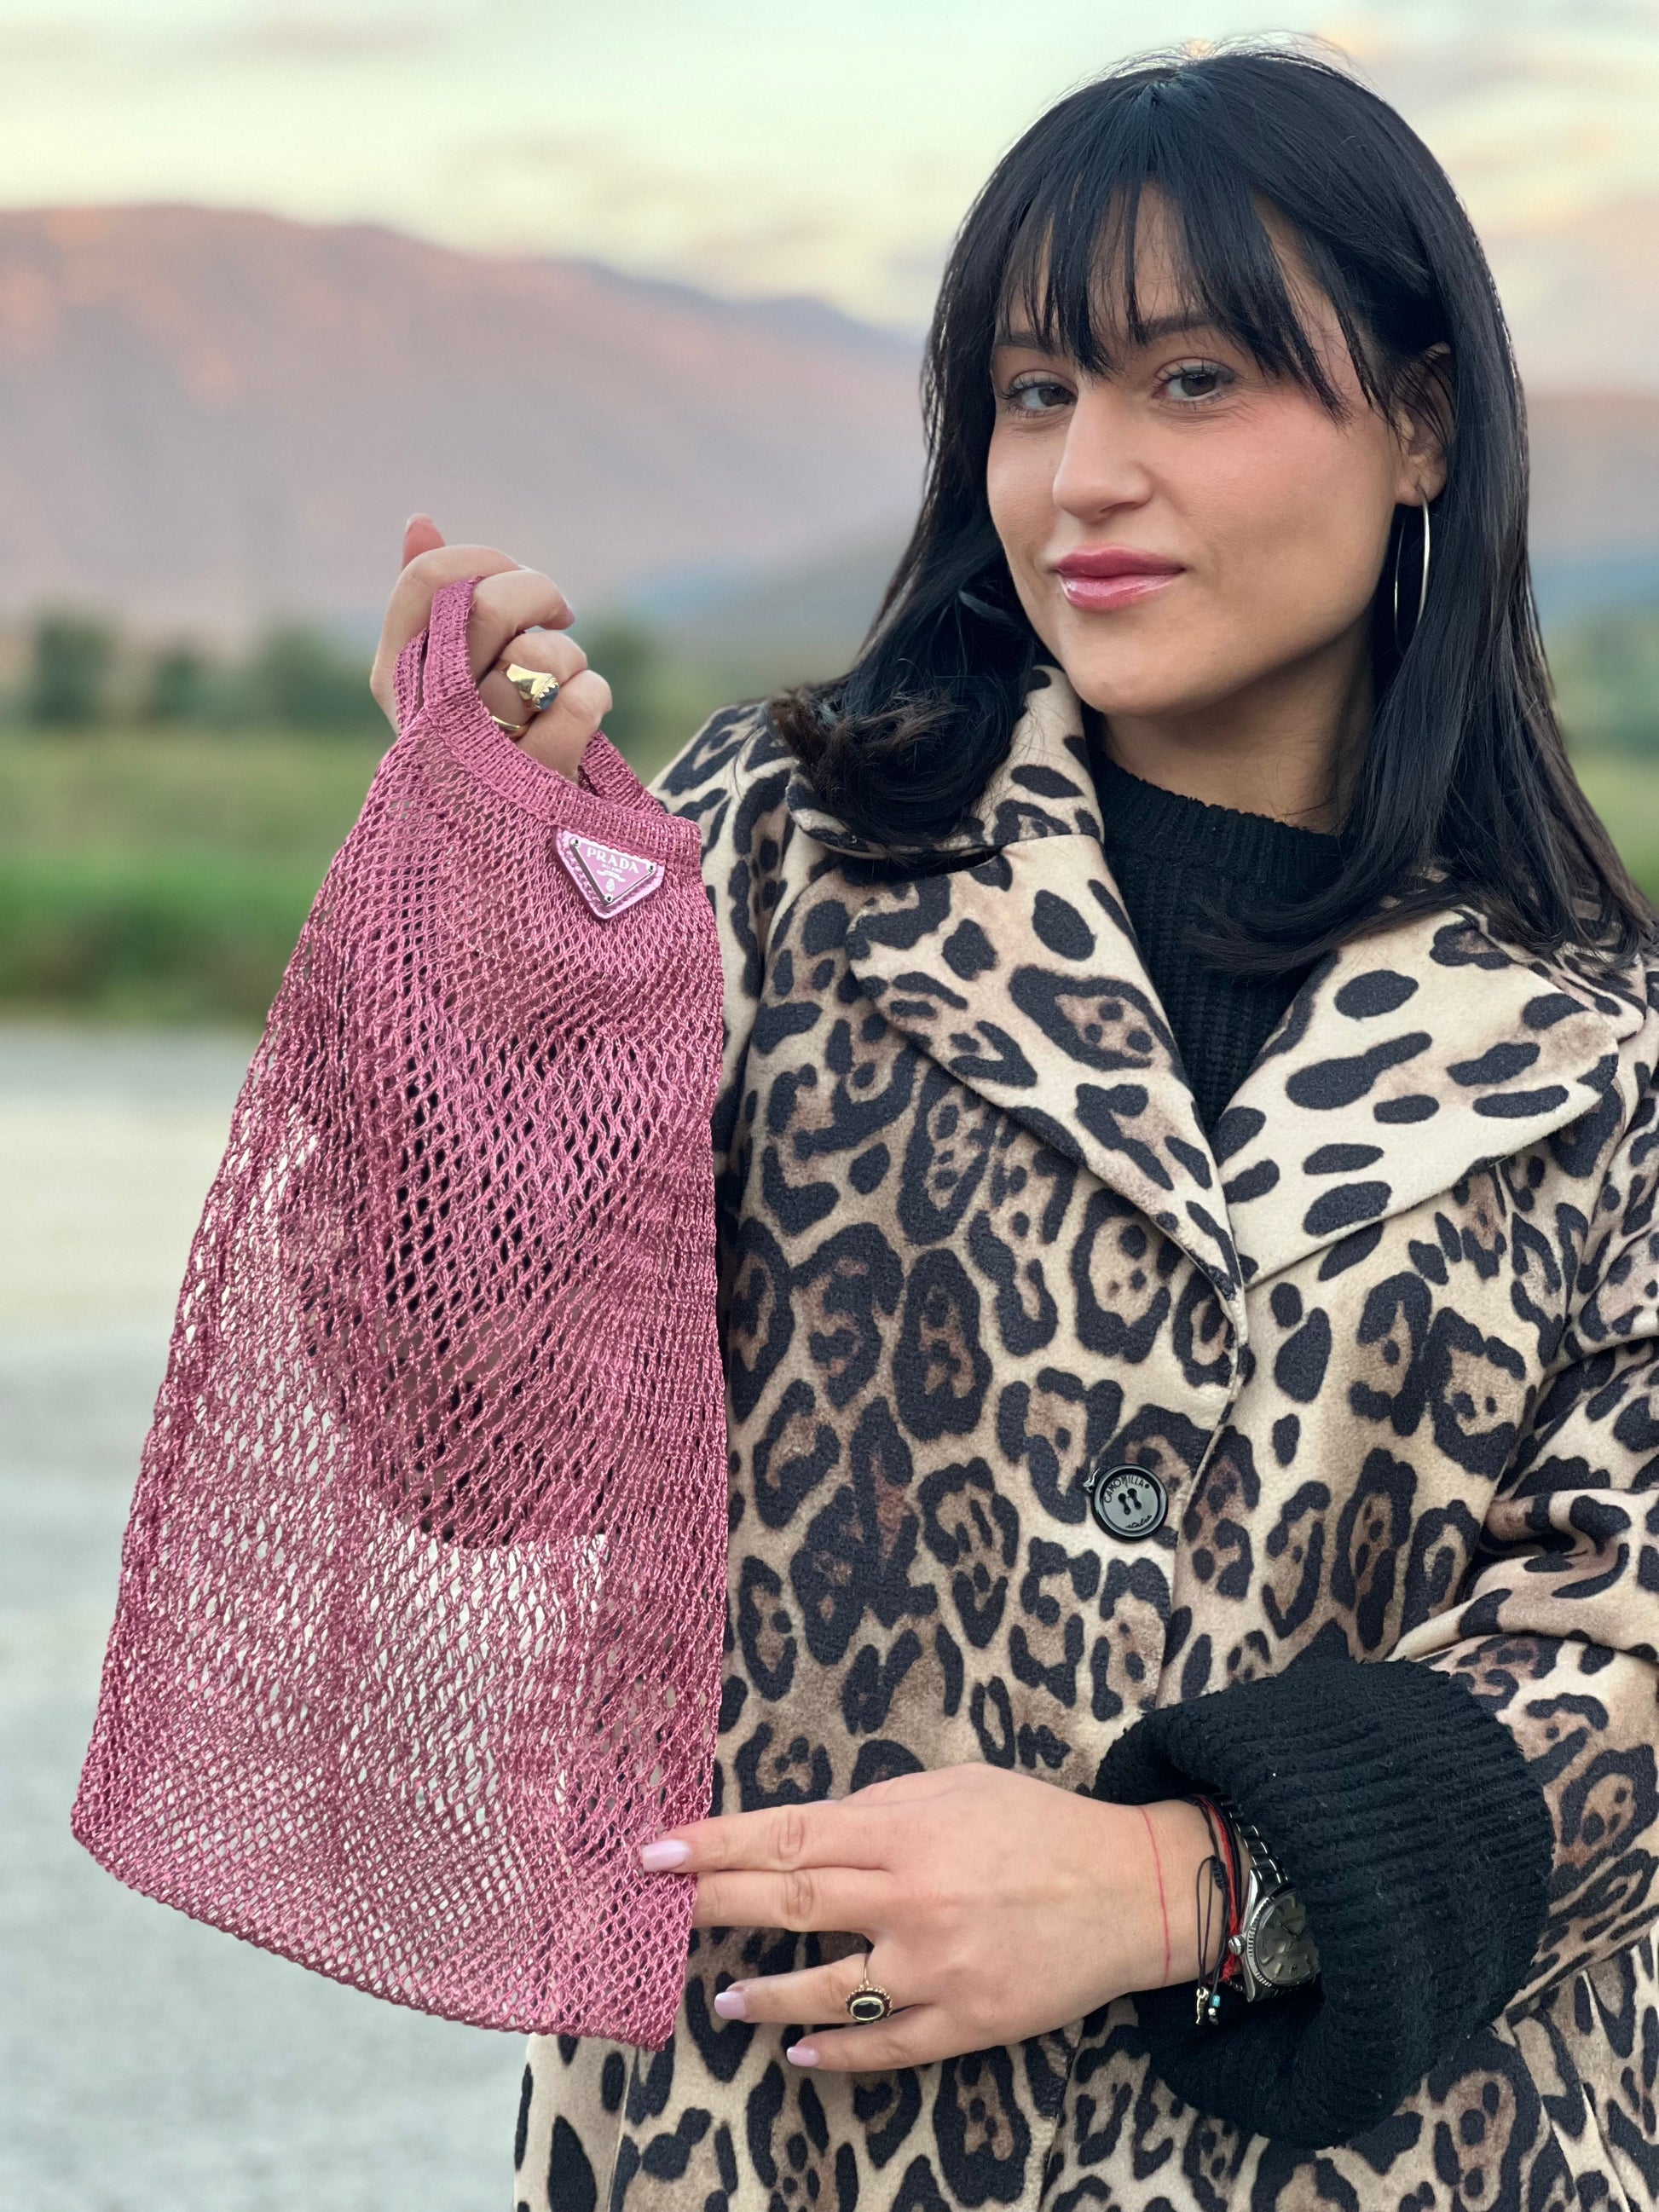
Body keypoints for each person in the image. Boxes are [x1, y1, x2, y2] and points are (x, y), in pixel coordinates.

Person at [371, 43, 1659, 2212]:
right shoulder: (771, 853)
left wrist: (1176, 1885)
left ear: (1423, 421)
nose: (1083, 476)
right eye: (1034, 392)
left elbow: (1625, 1671)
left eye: (1192, 381)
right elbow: (466, 1433)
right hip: (781, 2145)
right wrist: (479, 927)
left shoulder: (1609, 1054)